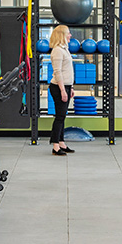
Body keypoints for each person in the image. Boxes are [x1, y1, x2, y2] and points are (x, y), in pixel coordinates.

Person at [46, 24, 75, 155]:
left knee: (62, 117)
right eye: (68, 33)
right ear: (62, 35)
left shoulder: (64, 49)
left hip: (66, 86)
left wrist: (71, 87)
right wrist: (63, 90)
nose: (70, 35)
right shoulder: (57, 50)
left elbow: (67, 70)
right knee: (59, 117)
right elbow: (58, 72)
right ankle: (55, 146)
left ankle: (61, 143)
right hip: (58, 87)